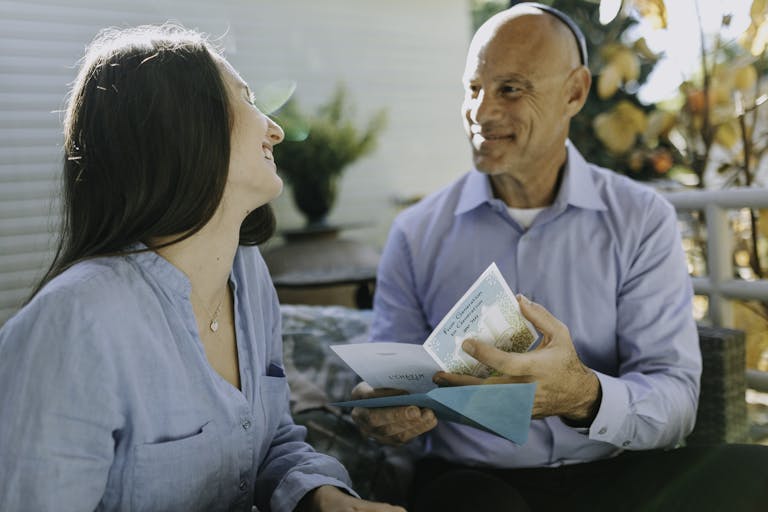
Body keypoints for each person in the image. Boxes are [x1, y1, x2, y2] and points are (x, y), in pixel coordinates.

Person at [351, 3, 768, 511]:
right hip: (474, 480)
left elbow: (675, 399)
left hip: (612, 473)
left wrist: (583, 396)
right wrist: (382, 411)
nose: (481, 112)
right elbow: (389, 381)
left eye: (510, 89)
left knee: (755, 473)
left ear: (575, 91)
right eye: (473, 88)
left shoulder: (641, 218)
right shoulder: (416, 233)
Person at [0, 24, 404, 512]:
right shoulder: (71, 326)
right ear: (185, 128)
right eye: (248, 100)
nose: (274, 129)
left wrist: (321, 498)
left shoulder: (248, 276)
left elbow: (271, 439)